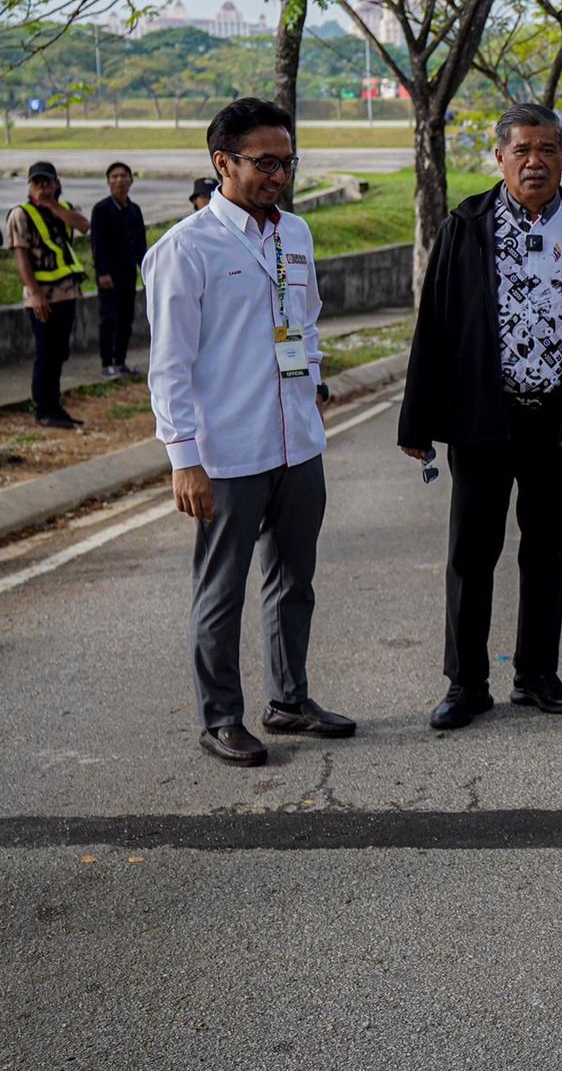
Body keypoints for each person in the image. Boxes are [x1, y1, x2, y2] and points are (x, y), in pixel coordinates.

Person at [397, 104, 562, 731]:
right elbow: (437, 328)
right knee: (472, 553)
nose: (536, 161)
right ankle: (465, 682)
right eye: (523, 150)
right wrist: (418, 424)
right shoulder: (465, 226)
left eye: (549, 150)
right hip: (483, 418)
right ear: (500, 158)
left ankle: (536, 674)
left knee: (547, 548)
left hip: (556, 422)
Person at [143, 98, 352, 767]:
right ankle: (221, 717)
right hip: (226, 453)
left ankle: (289, 698)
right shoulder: (186, 249)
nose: (279, 177)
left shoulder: (294, 233)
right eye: (265, 163)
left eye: (287, 163)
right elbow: (169, 364)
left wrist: (313, 385)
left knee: (295, 580)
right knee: (222, 589)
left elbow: (308, 319)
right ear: (222, 163)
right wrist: (184, 459)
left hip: (296, 442)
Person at [9, 161, 92, 429]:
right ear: (30, 186)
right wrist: (34, 294)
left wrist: (54, 207)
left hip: (66, 293)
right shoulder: (20, 214)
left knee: (59, 353)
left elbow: (83, 226)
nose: (42, 188)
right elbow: (21, 256)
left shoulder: (64, 209)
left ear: (56, 184)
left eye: (47, 182)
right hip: (42, 296)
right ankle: (44, 409)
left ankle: (54, 406)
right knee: (46, 353)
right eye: (37, 183)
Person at [90, 161, 147, 378]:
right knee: (108, 319)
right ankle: (106, 365)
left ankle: (121, 362)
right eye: (114, 176)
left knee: (126, 318)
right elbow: (97, 243)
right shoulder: (101, 209)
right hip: (108, 276)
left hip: (128, 274)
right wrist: (103, 272)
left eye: (123, 175)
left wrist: (146, 270)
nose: (119, 180)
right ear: (108, 182)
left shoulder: (134, 210)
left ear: (131, 180)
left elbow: (140, 244)